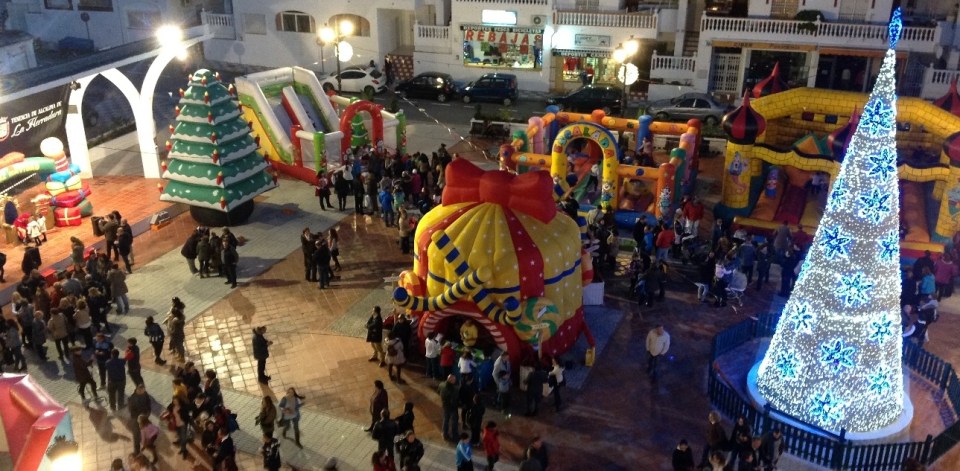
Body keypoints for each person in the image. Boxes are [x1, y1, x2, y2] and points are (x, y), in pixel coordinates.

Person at [439, 374, 460, 441]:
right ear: (450, 380)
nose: (455, 381)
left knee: (446, 420)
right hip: (452, 407)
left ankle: (445, 434)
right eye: (454, 380)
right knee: (454, 421)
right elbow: (455, 400)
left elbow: (438, 391)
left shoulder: (441, 384)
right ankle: (454, 435)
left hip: (445, 405)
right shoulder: (454, 389)